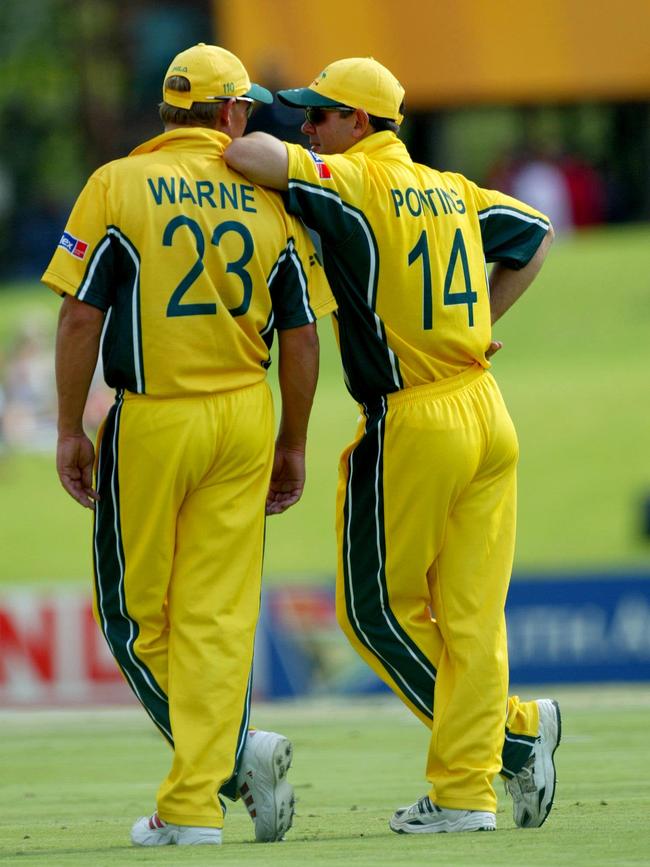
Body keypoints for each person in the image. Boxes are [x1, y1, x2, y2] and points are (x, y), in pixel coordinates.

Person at [225, 57, 558, 835]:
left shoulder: (357, 180)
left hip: (416, 416)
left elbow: (250, 156)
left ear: (360, 123)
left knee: (376, 611)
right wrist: (481, 324)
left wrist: (241, 141)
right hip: (485, 405)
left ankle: (506, 747)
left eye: (320, 115)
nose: (307, 127)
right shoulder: (448, 186)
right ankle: (471, 786)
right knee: (472, 618)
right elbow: (533, 237)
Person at [42, 43, 335, 847]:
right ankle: (207, 787)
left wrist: (70, 426)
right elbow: (304, 337)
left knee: (137, 619)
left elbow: (77, 316)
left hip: (155, 416)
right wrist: (294, 441)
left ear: (170, 110)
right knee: (216, 618)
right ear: (233, 114)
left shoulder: (116, 183)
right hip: (244, 416)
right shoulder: (269, 198)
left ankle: (216, 780)